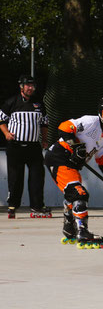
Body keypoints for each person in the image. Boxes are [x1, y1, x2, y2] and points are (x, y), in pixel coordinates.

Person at [44, 97, 103, 249]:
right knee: (79, 194)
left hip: (72, 165)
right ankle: (82, 232)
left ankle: (69, 229)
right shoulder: (91, 122)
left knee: (73, 195)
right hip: (59, 158)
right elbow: (64, 127)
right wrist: (75, 145)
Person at [0, 75, 51, 218]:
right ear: (21, 86)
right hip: (15, 146)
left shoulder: (39, 104)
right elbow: (1, 119)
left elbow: (44, 123)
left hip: (33, 146)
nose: (30, 88)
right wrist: (6, 133)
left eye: (33, 85)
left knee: (37, 177)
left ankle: (37, 206)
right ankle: (12, 206)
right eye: (28, 85)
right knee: (16, 177)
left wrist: (45, 139)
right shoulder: (12, 102)